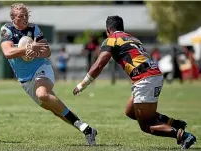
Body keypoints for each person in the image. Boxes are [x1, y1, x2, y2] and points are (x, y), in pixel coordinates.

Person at [73, 16, 196, 149]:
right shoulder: (133, 38)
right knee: (130, 111)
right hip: (154, 75)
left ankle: (183, 135)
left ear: (108, 29)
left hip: (145, 79)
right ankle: (174, 123)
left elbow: (99, 64)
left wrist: (82, 84)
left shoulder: (111, 39)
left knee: (146, 125)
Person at [0, 3, 97, 145]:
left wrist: (37, 50)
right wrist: (27, 48)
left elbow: (47, 51)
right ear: (13, 18)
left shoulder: (34, 29)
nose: (25, 19)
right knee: (55, 109)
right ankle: (87, 130)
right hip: (25, 79)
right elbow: (8, 53)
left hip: (41, 68)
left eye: (26, 15)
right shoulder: (7, 29)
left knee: (43, 94)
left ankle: (84, 127)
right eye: (21, 16)